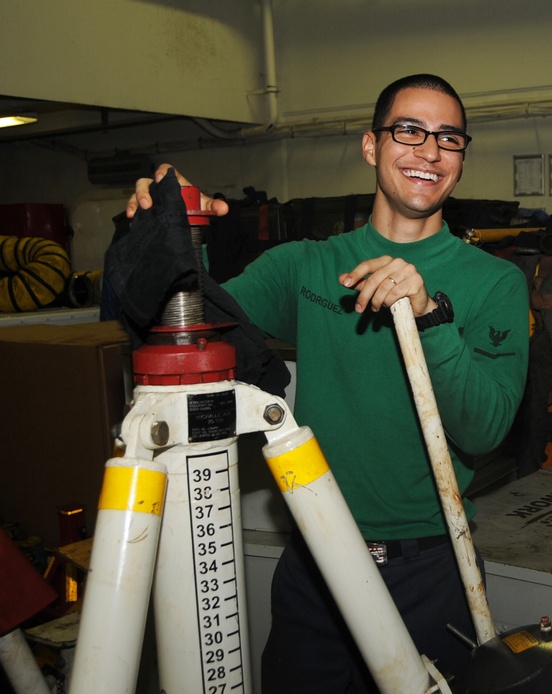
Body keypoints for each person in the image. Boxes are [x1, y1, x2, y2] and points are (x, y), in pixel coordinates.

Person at [127, 74, 529, 692]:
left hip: (429, 568)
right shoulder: (306, 266)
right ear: (371, 147)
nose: (429, 151)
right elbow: (192, 329)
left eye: (449, 139)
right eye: (409, 131)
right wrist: (171, 232)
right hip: (314, 567)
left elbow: (484, 429)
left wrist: (427, 317)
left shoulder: (494, 282)